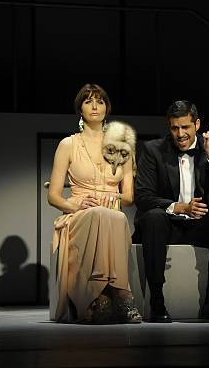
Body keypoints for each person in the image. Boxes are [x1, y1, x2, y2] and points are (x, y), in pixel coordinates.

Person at [134, 100, 209, 322]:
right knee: (154, 216)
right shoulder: (152, 149)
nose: (180, 134)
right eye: (175, 128)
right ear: (169, 127)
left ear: (197, 125)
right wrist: (181, 207)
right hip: (167, 223)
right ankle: (157, 300)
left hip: (199, 224)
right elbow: (143, 197)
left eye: (185, 127)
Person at [48, 83, 142, 324]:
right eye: (89, 101)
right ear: (80, 108)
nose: (94, 106)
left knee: (115, 216)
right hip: (80, 213)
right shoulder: (68, 145)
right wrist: (77, 206)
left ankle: (117, 290)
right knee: (99, 214)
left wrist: (115, 197)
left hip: (111, 213)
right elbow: (54, 196)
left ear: (107, 108)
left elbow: (129, 197)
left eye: (100, 101)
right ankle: (97, 295)